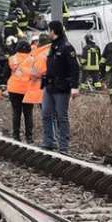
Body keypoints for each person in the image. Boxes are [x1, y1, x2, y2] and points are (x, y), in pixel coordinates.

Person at [41, 21, 79, 153]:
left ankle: (63, 146)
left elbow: (75, 68)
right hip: (50, 86)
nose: (47, 33)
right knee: (46, 113)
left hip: (62, 87)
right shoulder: (53, 46)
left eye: (49, 30)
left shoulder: (66, 47)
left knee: (61, 116)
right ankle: (49, 142)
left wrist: (75, 87)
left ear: (53, 31)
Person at [23, 33, 51, 143]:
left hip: (36, 88)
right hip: (53, 87)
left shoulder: (36, 54)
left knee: (43, 114)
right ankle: (54, 140)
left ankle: (33, 138)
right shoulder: (53, 50)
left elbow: (34, 73)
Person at [6, 41, 33, 142]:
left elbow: (5, 74)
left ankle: (16, 136)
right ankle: (29, 137)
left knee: (16, 112)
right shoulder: (33, 59)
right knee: (28, 113)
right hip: (28, 89)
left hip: (14, 89)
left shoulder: (12, 59)